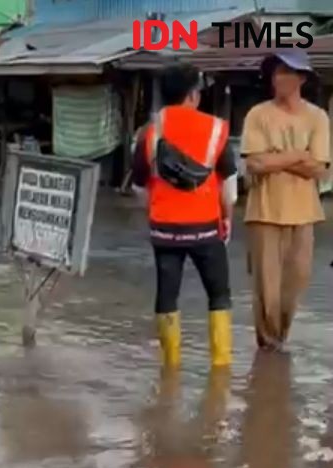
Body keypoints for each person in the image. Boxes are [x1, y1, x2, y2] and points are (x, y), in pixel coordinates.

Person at [131, 64, 237, 368]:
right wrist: (226, 219)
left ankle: (171, 367)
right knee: (218, 294)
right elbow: (228, 187)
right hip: (206, 228)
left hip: (164, 229)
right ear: (193, 94)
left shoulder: (150, 133)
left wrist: (156, 209)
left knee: (167, 294)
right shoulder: (216, 129)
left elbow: (139, 185)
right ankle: (220, 367)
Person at [241, 50, 330, 353]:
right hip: (264, 211)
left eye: (287, 73)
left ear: (301, 78)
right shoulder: (258, 114)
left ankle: (280, 341)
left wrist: (275, 157)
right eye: (277, 73)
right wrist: (297, 155)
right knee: (266, 289)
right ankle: (268, 350)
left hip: (304, 212)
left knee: (295, 285)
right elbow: (254, 164)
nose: (279, 79)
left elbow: (318, 169)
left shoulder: (317, 117)